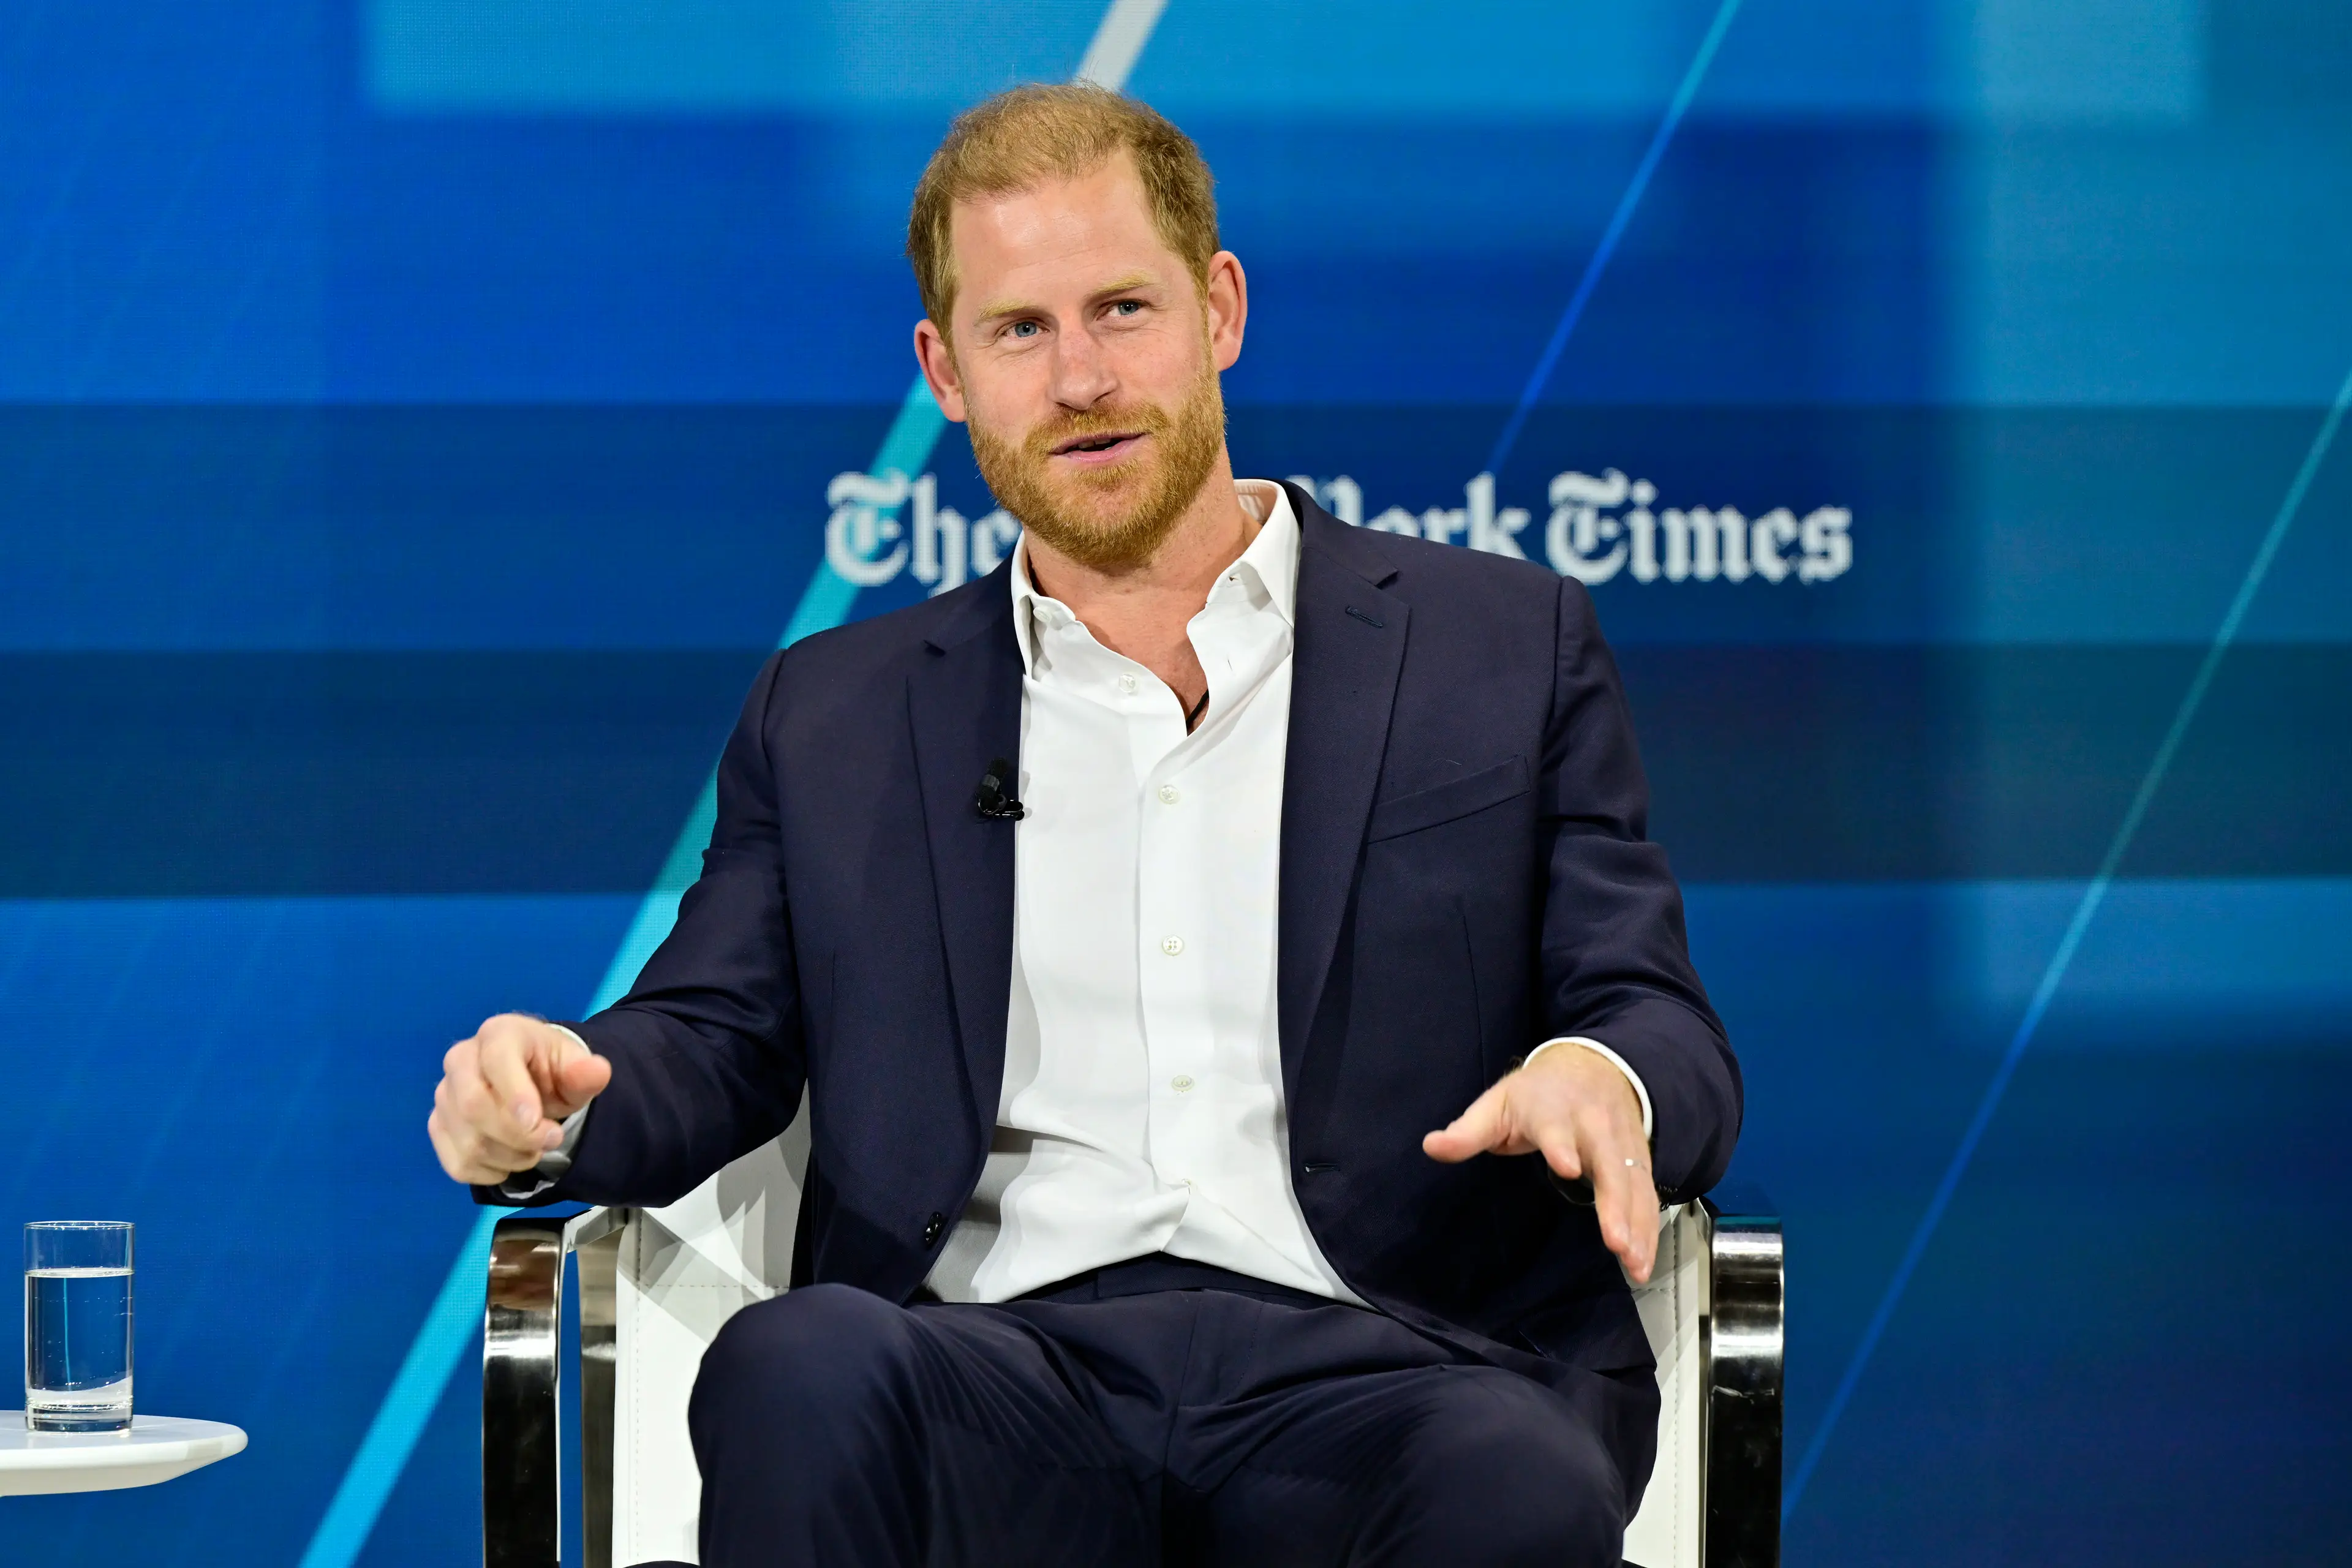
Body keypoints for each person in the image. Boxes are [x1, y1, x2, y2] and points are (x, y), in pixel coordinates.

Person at [428, 84, 1738, 1568]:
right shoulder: (840, 711)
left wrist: (1603, 1070)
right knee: (797, 1363)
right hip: (1000, 1369)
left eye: (1123, 308)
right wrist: (559, 1105)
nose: (1081, 378)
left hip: (1399, 1367)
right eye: (1021, 330)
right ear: (945, 370)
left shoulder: (1501, 645)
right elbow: (712, 1032)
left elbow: (1659, 1016)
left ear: (1221, 309)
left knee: (1517, 1468)